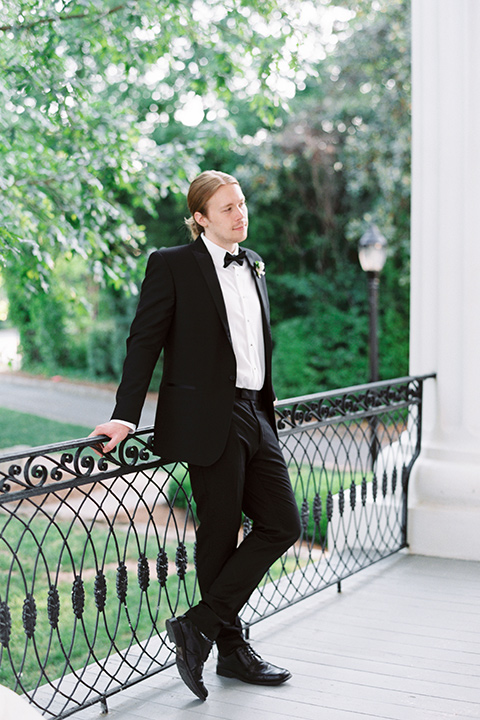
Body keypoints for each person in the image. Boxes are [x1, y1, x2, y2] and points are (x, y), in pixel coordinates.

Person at [90, 170, 301, 701]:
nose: (240, 213)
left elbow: (253, 350)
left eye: (241, 203)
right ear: (201, 218)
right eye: (227, 208)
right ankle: (231, 649)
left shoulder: (254, 265)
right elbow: (145, 342)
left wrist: (266, 410)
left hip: (256, 412)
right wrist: (124, 414)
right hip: (210, 417)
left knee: (283, 524)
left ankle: (200, 626)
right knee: (220, 530)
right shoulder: (172, 265)